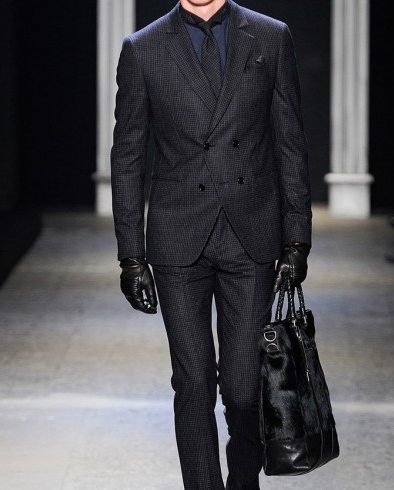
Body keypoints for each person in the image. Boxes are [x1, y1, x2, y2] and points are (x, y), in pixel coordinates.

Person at [111, 1, 311, 488]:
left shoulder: (270, 37)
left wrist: (297, 237)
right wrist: (130, 255)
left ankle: (243, 481)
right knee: (193, 383)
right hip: (178, 238)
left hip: (251, 234)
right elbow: (128, 154)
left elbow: (289, 141)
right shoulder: (143, 49)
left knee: (243, 391)